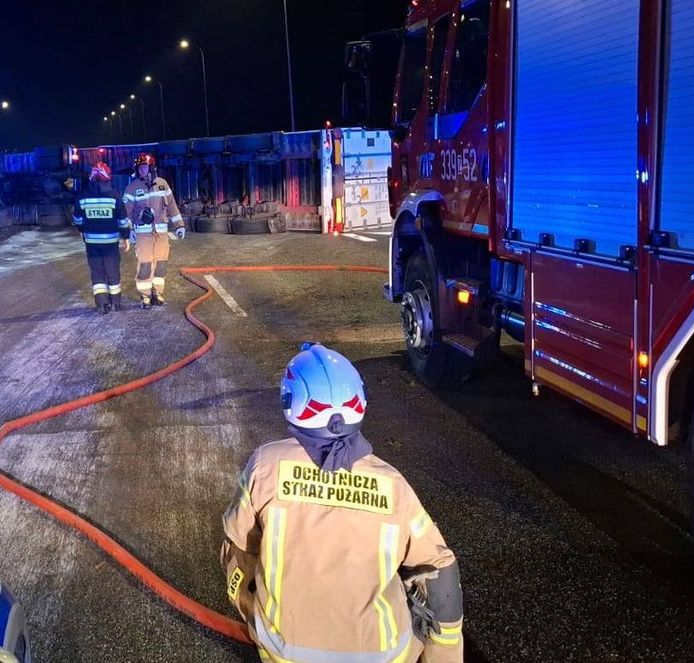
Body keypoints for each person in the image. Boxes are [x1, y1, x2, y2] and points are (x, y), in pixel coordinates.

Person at [221, 343, 465, 663]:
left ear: (290, 402)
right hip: (382, 656)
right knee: (419, 590)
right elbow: (441, 572)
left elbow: (236, 547)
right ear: (358, 404)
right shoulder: (393, 485)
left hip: (283, 652)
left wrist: (253, 612)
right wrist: (445, 650)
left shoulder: (265, 465)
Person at [122, 153, 185, 309]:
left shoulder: (162, 184)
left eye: (145, 167)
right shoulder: (132, 188)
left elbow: (172, 207)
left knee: (161, 264)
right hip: (143, 235)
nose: (143, 170)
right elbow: (126, 213)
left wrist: (179, 225)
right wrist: (127, 232)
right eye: (140, 168)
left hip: (161, 234)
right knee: (145, 265)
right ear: (137, 170)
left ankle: (158, 293)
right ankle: (145, 296)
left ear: (151, 167)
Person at [73, 161, 130, 314]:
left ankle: (101, 305)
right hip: (111, 243)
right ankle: (115, 304)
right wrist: (126, 237)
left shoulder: (83, 195)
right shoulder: (114, 195)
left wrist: (82, 231)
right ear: (107, 177)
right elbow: (122, 220)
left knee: (97, 272)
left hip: (91, 242)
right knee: (112, 271)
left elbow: (77, 219)